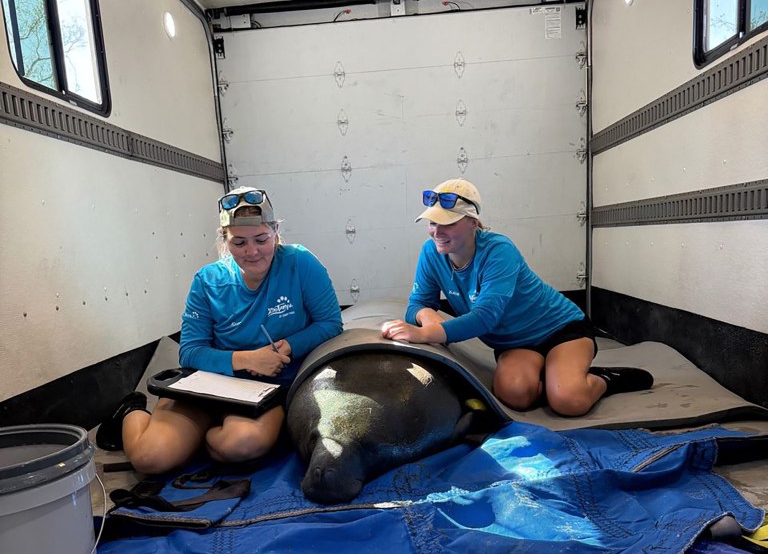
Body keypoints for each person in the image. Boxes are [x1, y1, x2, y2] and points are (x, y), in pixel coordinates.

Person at [96, 187, 343, 472]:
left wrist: (287, 346)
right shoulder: (208, 280)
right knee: (151, 458)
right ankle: (132, 411)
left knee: (243, 443)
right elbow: (189, 351)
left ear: (276, 232)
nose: (252, 252)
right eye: (239, 243)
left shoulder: (300, 263)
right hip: (210, 387)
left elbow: (331, 324)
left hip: (264, 391)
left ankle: (199, 436)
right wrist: (247, 360)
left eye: (261, 239)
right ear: (224, 241)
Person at [381, 178, 652, 417]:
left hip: (561, 330)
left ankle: (605, 379)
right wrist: (426, 320)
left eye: (447, 223)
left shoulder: (499, 250)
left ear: (473, 223)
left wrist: (425, 334)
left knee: (568, 401)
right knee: (514, 395)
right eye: (432, 222)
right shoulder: (431, 253)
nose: (437, 232)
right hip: (515, 343)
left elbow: (485, 317)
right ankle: (555, 375)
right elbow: (418, 304)